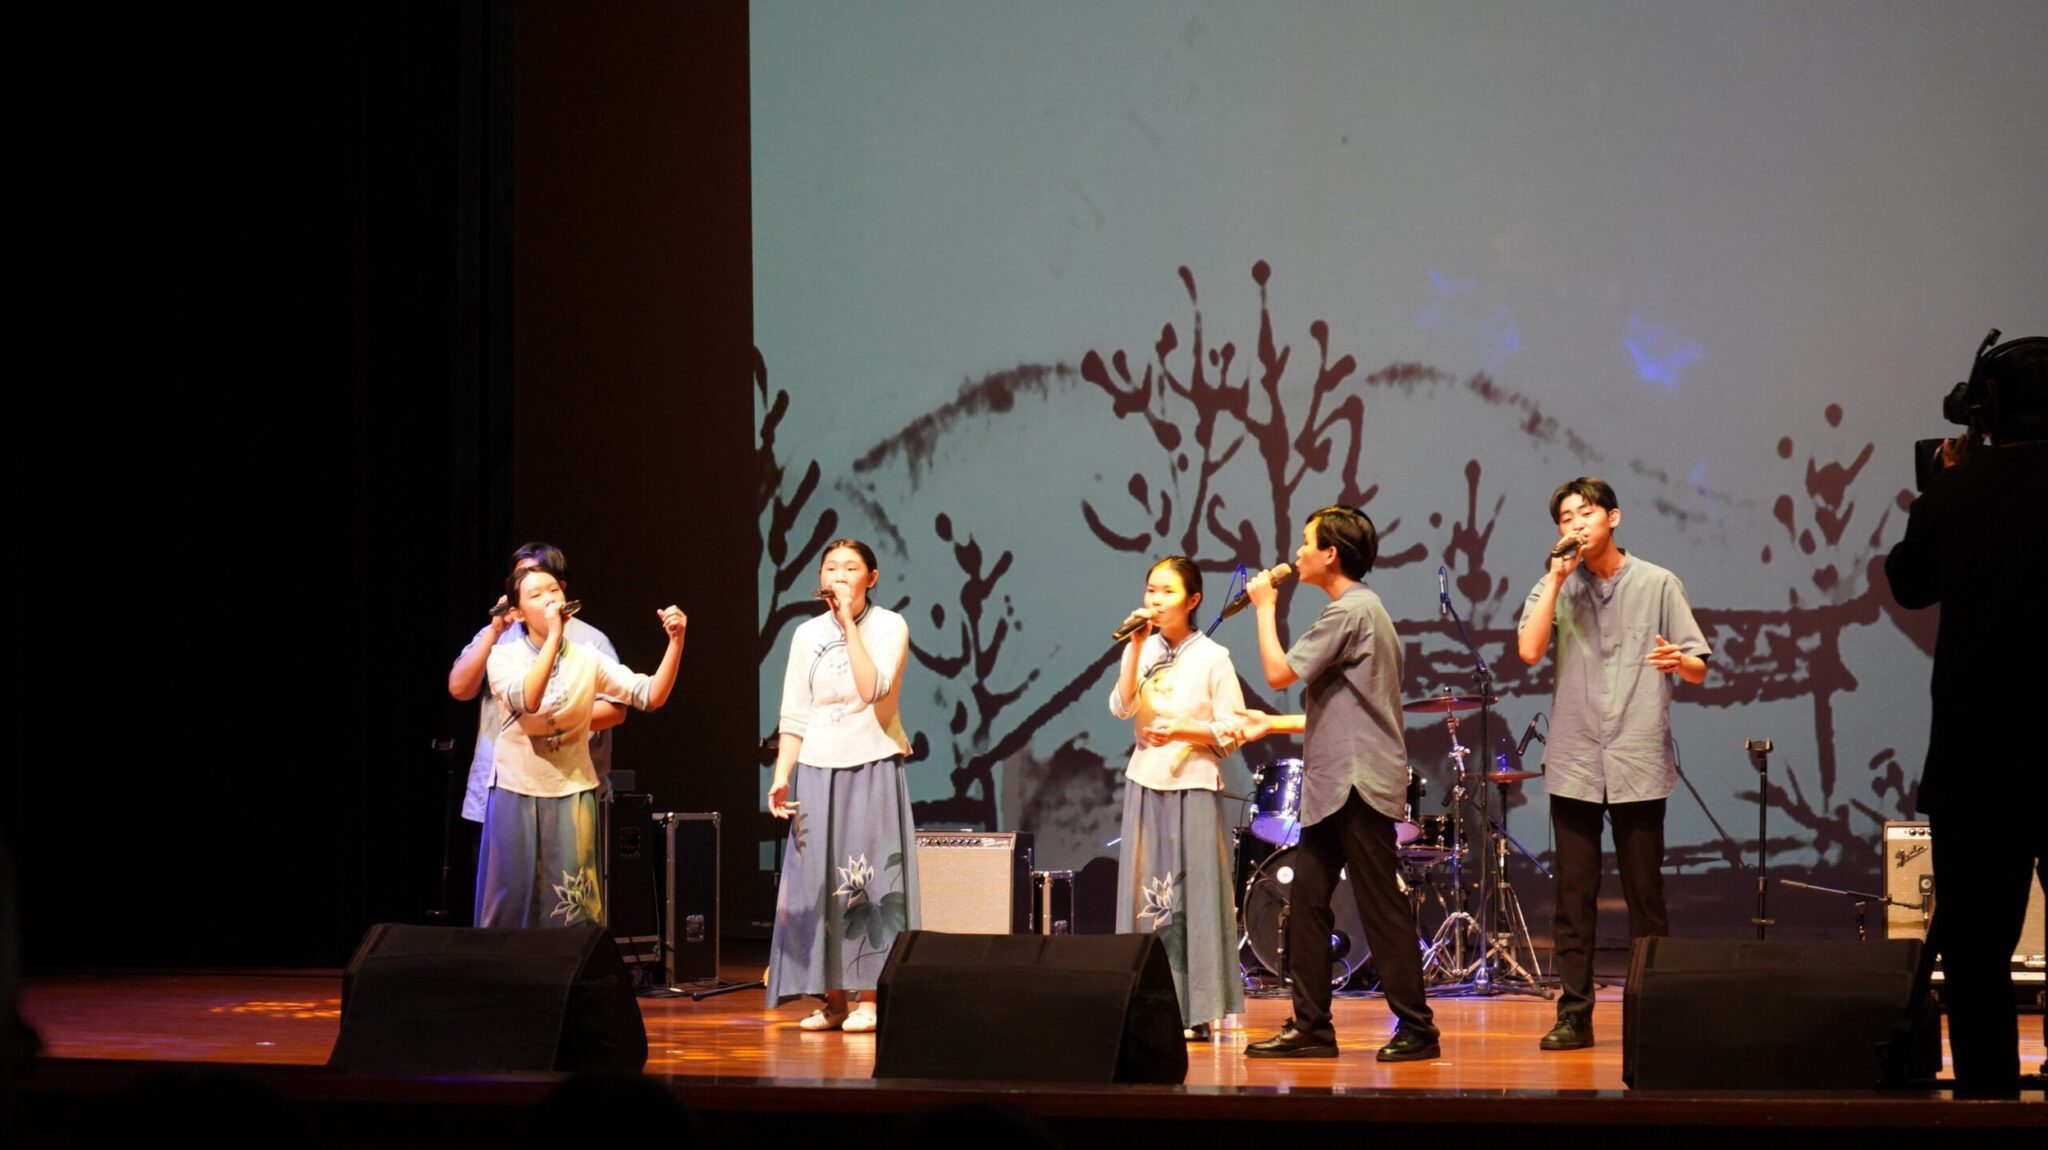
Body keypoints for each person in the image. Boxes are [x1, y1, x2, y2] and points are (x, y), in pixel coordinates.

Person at [1884, 335, 2048, 1093]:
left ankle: (1990, 1104)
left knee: (1978, 951)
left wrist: (1945, 486)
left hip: (1979, 758)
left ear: (1988, 411)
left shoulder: (1956, 493)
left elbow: (1910, 584)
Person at [1233, 506, 1440, 1061]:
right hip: (1336, 783)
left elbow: (1278, 673)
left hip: (1356, 782)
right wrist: (1270, 724)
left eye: (1306, 542)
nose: (1297, 552)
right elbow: (1344, 711)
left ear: (1330, 553)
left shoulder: (1351, 611)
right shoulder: (1360, 611)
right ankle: (1312, 1027)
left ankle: (1418, 1028)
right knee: (1306, 902)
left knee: (1379, 905)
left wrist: (1265, 607)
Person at [1515, 476, 1708, 1052]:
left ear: (1613, 518)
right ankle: (1574, 1014)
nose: (1575, 525)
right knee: (1573, 900)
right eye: (1565, 519)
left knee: (1646, 896)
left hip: (1637, 753)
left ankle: (1657, 1013)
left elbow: (1698, 666)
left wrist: (1679, 662)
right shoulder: (1554, 584)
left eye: (1585, 513)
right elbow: (1528, 651)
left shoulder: (1658, 582)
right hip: (1575, 756)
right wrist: (1555, 578)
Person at [766, 539, 917, 1033]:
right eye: (831, 567)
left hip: (872, 761)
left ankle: (870, 997)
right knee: (817, 881)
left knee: (872, 882)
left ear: (871, 579)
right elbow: (795, 712)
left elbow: (873, 688)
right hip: (816, 767)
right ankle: (833, 1000)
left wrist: (849, 622)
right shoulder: (805, 634)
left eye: (851, 568)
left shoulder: (889, 625)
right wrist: (782, 774)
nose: (839, 575)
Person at [481, 564, 685, 928]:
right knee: (511, 900)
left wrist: (676, 643)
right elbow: (529, 699)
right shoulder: (503, 657)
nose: (549, 599)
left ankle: (570, 964)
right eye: (535, 595)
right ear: (517, 613)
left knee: (573, 905)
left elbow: (650, 694)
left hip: (572, 791)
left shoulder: (587, 656)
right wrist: (554, 636)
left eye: (553, 590)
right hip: (516, 790)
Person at [1108, 556, 1248, 1041]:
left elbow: (1235, 728)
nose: (1156, 599)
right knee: (1146, 896)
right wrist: (1134, 647)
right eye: (1151, 590)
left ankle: (1196, 1009)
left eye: (1167, 591)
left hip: (1193, 783)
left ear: (1193, 600)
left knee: (1194, 896)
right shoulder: (1143, 647)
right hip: (1145, 780)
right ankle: (1142, 1004)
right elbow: (1121, 706)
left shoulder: (1213, 657)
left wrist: (1185, 730)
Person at [448, 543, 626, 924]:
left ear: (561, 589)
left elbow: (616, 709)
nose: (532, 589)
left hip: (564, 790)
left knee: (565, 906)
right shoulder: (500, 637)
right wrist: (495, 629)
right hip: (503, 787)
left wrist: (554, 717)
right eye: (520, 581)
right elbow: (460, 687)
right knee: (507, 903)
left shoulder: (589, 641)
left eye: (544, 584)